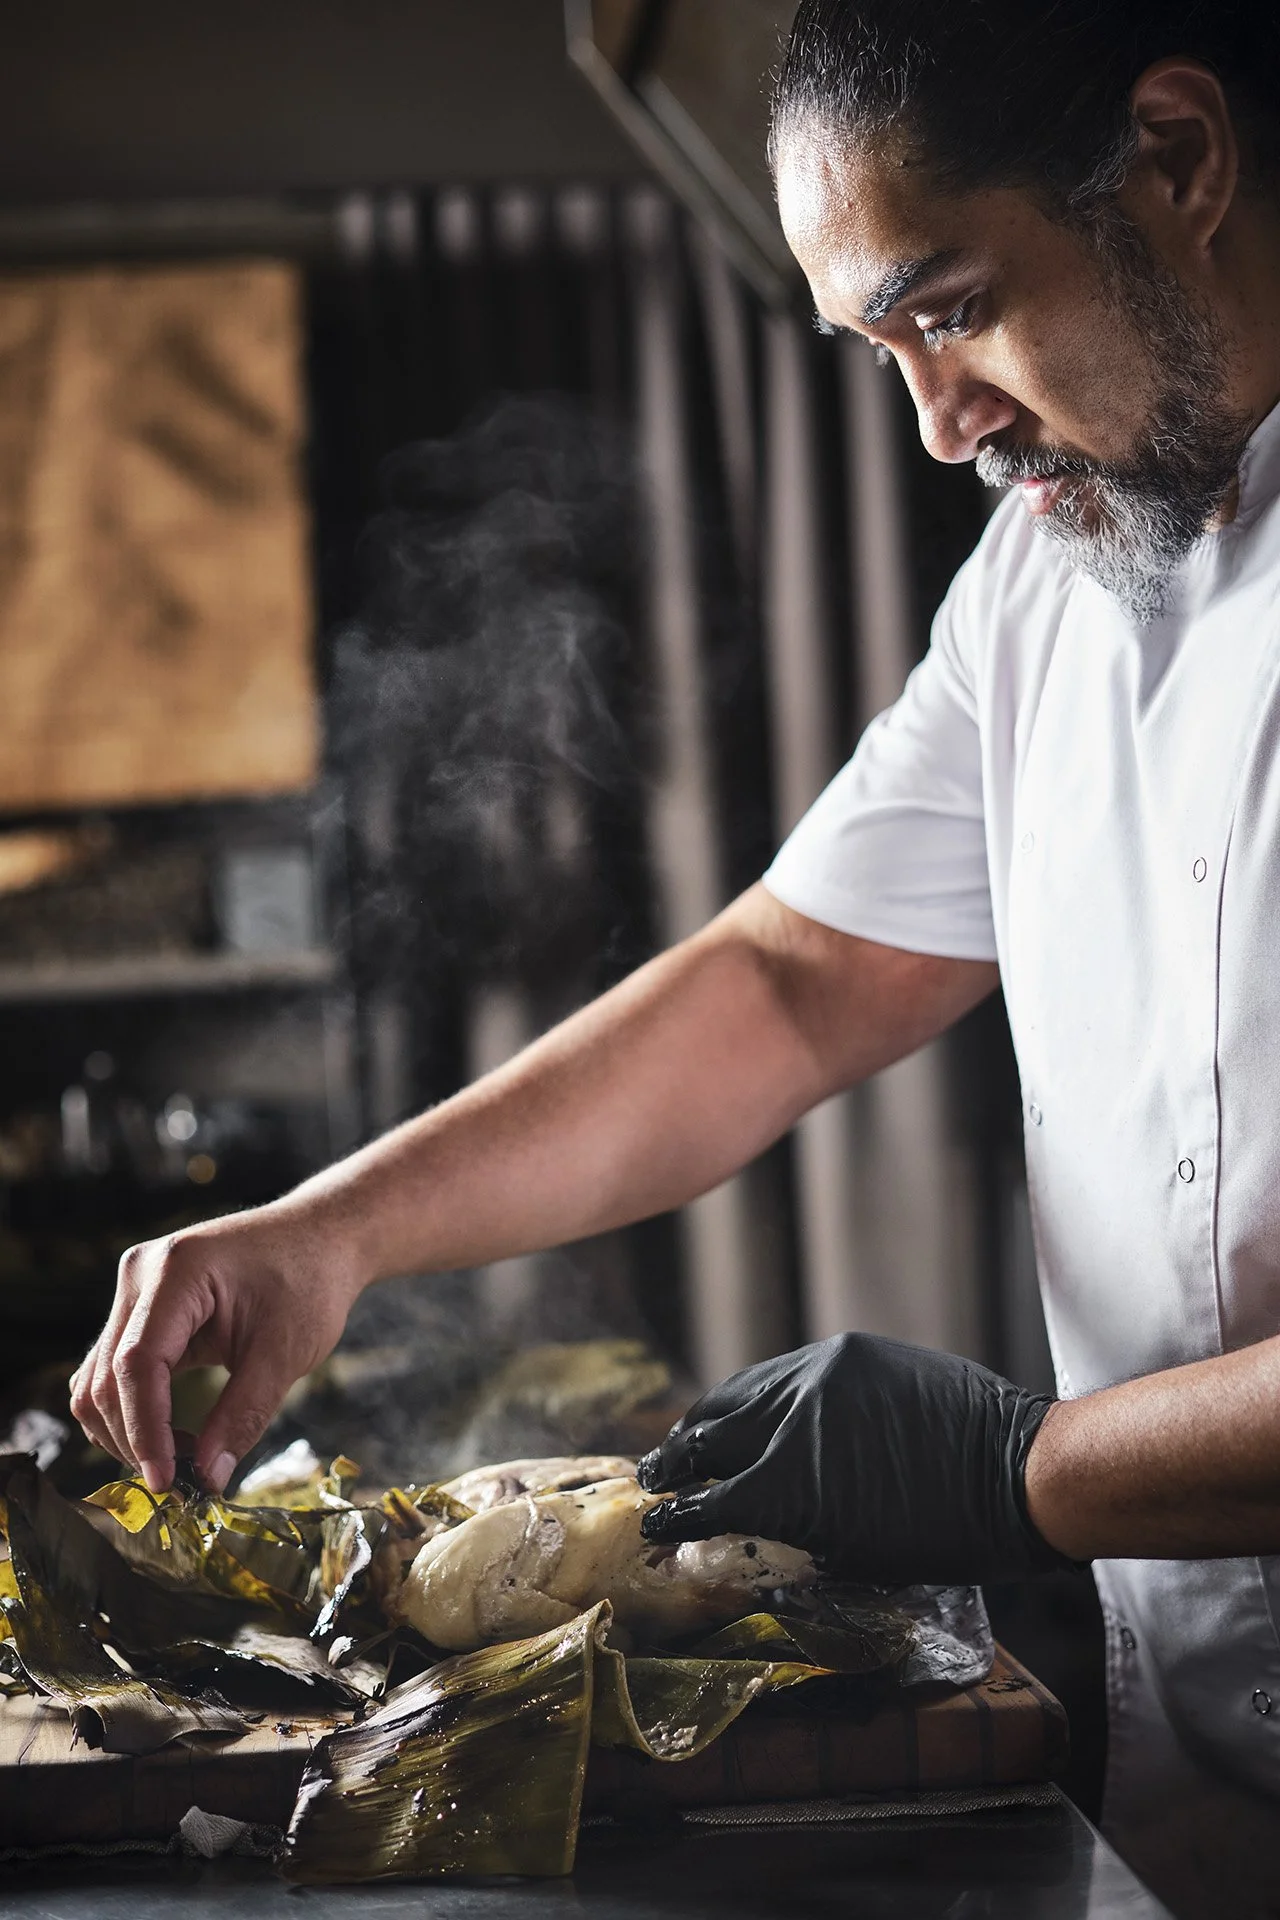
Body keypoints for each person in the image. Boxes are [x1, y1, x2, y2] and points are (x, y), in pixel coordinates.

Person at [71, 3, 1280, 1913]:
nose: (934, 422)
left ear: (1181, 159)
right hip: (1204, 1780)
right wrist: (334, 1230)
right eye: (879, 348)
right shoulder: (1049, 580)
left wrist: (1014, 1471)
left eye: (950, 306)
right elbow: (791, 982)